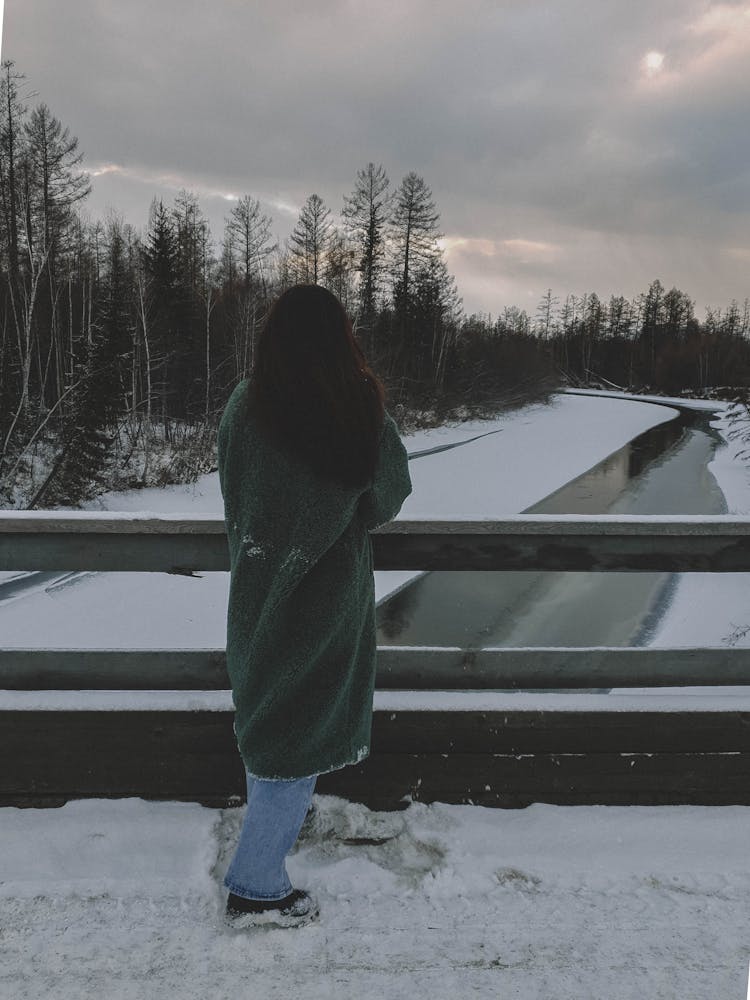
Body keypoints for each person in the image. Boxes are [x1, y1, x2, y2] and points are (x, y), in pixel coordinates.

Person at [216, 284, 412, 929]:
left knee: (271, 719)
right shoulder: (358, 408)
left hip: (259, 585)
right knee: (297, 734)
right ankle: (254, 886)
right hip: (328, 593)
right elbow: (387, 496)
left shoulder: (247, 405)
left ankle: (268, 846)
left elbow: (235, 486)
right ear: (340, 338)